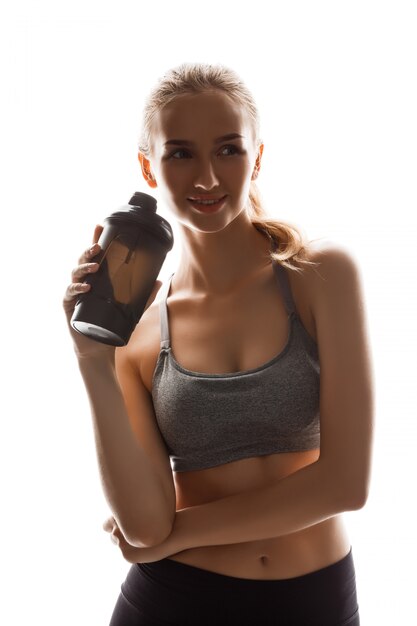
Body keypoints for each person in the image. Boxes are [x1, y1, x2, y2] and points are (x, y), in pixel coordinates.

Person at [63, 62, 374, 625]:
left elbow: (346, 484)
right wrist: (92, 359)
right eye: (180, 153)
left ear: (257, 156)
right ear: (148, 168)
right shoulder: (140, 338)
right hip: (172, 600)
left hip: (313, 603)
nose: (206, 176)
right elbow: (144, 525)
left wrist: (179, 534)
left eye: (228, 149)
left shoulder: (319, 275)